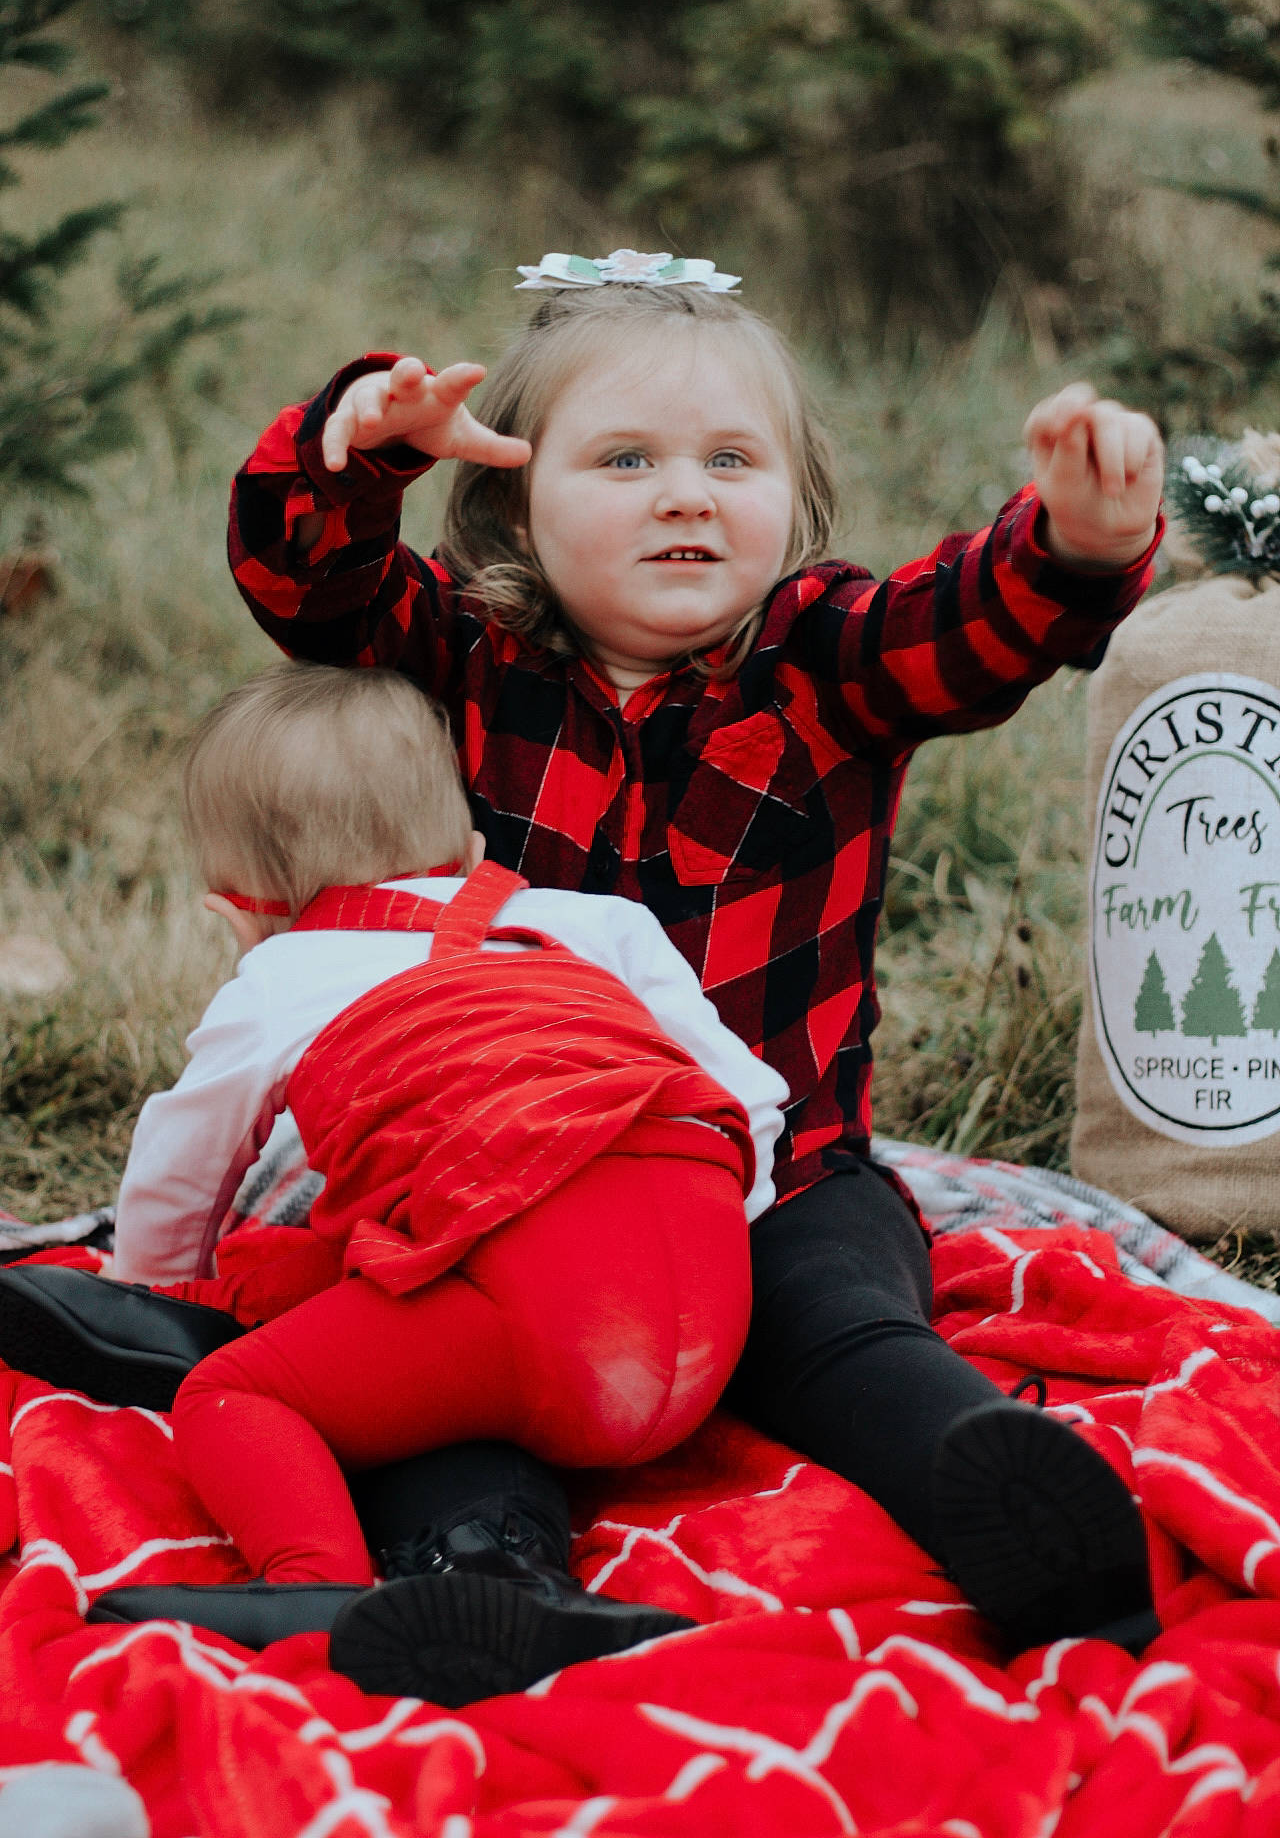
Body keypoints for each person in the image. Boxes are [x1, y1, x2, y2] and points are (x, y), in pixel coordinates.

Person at [2, 249, 1165, 1690]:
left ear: (792, 505)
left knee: (842, 1325)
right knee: (436, 1376)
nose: (686, 491)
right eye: (627, 458)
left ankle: (1024, 1514)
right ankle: (496, 1581)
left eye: (732, 459)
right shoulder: (468, 665)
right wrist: (346, 451)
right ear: (516, 505)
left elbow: (970, 633)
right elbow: (311, 587)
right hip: (500, 1198)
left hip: (784, 1173)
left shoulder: (824, 662)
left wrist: (1076, 545)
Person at [0, 659, 787, 1702]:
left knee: (232, 1394)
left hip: (542, 1327)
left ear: (242, 913)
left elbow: (183, 1157)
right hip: (704, 1331)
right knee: (373, 1261)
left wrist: (150, 1269)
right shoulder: (595, 924)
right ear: (471, 845)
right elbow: (748, 1098)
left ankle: (319, 1583)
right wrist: (721, 1234)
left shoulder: (279, 974)